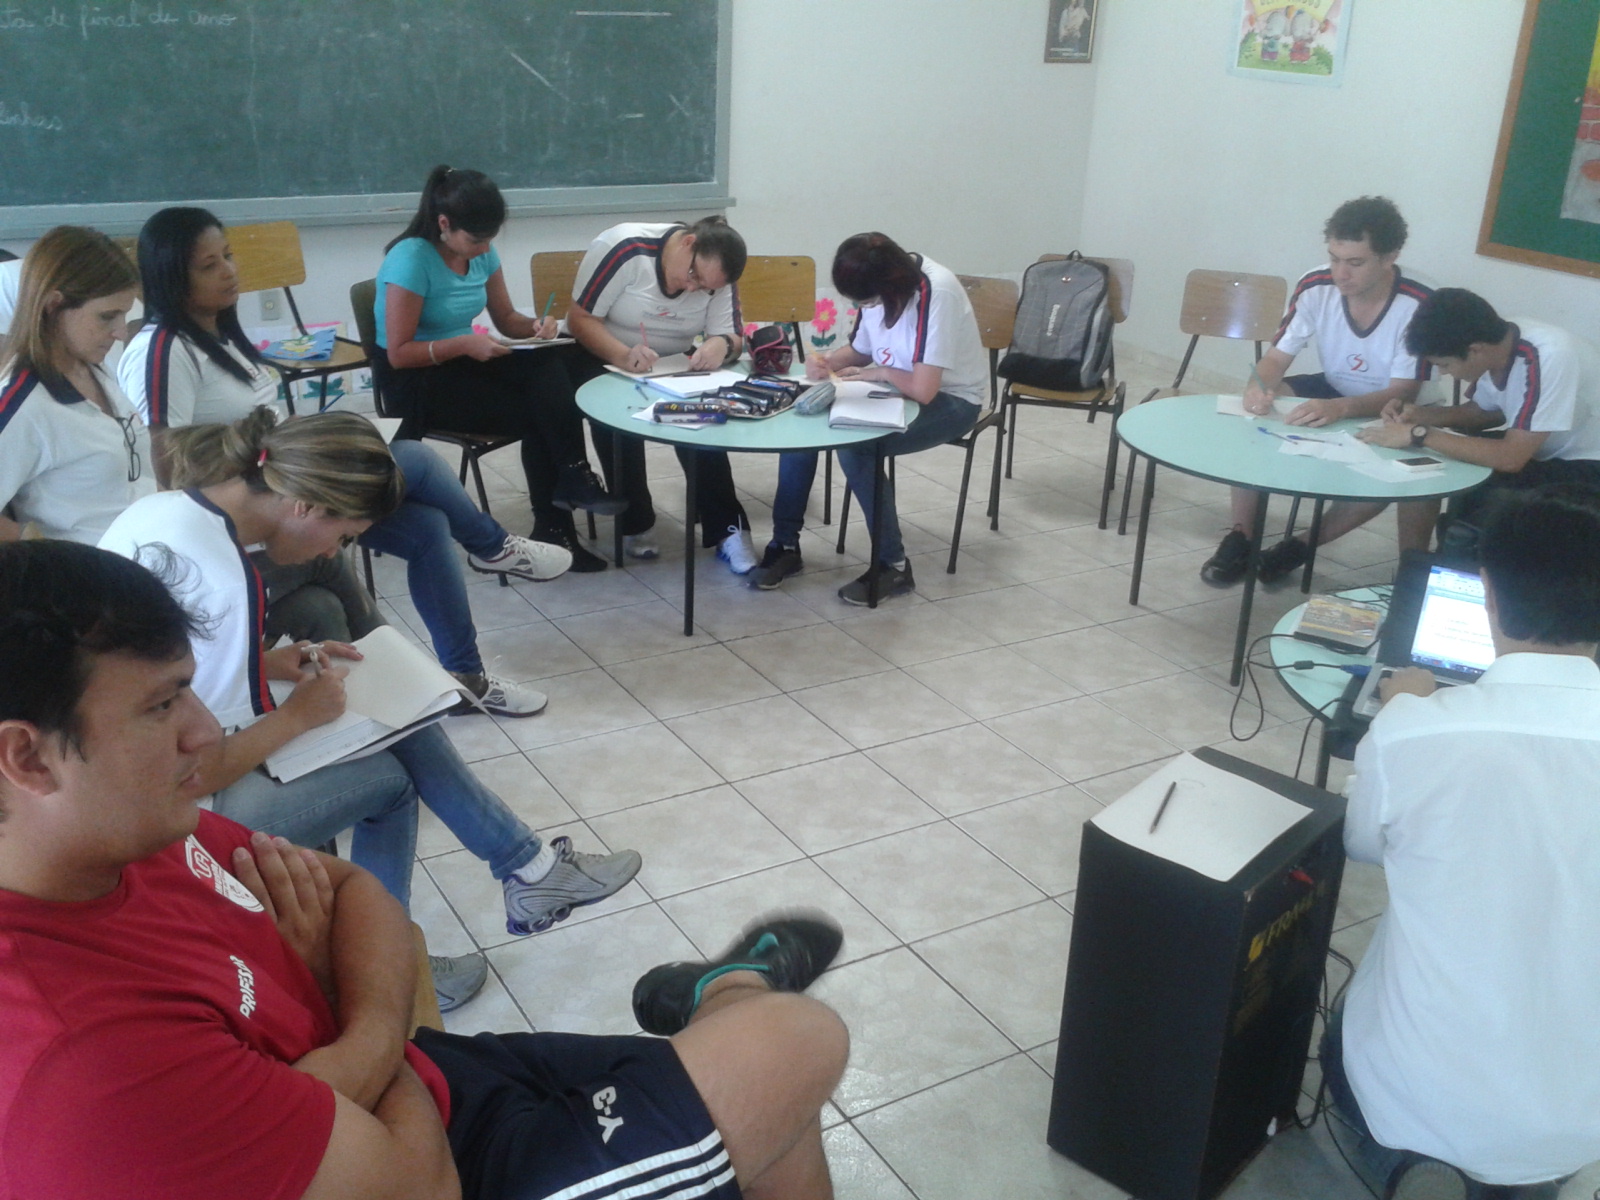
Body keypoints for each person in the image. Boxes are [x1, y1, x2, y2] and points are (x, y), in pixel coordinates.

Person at [0, 536, 851, 1200]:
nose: (203, 732)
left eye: (188, 690)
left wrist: (347, 1050)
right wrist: (370, 1018)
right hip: (444, 1158)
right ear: (28, 760)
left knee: (763, 1102)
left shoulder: (124, 832)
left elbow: (362, 897)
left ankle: (720, 1002)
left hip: (432, 1088)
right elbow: (421, 1187)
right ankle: (725, 991)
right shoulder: (81, 1067)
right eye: (160, 707)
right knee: (794, 1042)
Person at [98, 409, 641, 1012]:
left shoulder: (167, 509)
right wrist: (298, 716)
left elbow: (177, 671)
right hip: (159, 819)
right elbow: (197, 775)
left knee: (352, 663)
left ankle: (517, 876)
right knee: (389, 783)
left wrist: (274, 665)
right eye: (345, 535)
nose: (336, 550)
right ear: (304, 506)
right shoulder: (227, 581)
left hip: (115, 770)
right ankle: (387, 972)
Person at [119, 205, 564, 718]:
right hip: (254, 531)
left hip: (291, 497)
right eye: (208, 265)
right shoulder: (163, 350)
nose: (229, 271)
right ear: (171, 276)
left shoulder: (223, 338)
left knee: (429, 526)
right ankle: (490, 551)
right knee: (413, 460)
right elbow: (167, 472)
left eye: (229, 256)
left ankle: (464, 677)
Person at [1324, 485, 1600, 1197]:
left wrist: (1402, 709)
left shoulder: (1416, 733)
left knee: (1350, 1035)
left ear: (1486, 595)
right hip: (1582, 1119)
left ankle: (1411, 1169)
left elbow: (1362, 844)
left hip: (1414, 1098)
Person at [374, 165, 623, 573]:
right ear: (444, 224)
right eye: (475, 239)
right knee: (543, 410)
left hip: (463, 361)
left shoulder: (482, 251)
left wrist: (537, 327)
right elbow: (400, 354)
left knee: (553, 362)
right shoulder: (410, 260)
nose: (483, 247)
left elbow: (506, 318)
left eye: (490, 238)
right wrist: (464, 343)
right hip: (417, 381)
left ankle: (571, 485)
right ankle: (560, 514)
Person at [1201, 196, 1434, 587]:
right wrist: (1257, 388)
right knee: (1251, 420)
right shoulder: (1315, 284)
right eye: (1334, 258)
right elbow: (1276, 359)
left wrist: (1341, 408)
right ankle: (1242, 535)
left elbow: (1403, 391)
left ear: (1390, 256)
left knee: (1390, 477)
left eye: (1355, 263)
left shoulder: (1419, 303)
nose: (1340, 273)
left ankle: (1301, 547)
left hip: (1395, 403)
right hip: (1335, 386)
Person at [751, 232, 985, 604]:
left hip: (952, 400)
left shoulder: (935, 293)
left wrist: (882, 374)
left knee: (857, 446)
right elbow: (860, 351)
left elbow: (924, 389)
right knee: (802, 422)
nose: (869, 307)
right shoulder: (878, 284)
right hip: (898, 389)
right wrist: (827, 361)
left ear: (889, 286)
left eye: (870, 301)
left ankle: (893, 565)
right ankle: (785, 545)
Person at [564, 216, 758, 573]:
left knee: (702, 417)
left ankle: (728, 530)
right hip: (604, 355)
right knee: (617, 415)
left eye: (705, 287)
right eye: (694, 276)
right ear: (687, 243)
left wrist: (719, 345)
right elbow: (579, 319)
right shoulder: (624, 248)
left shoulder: (716, 279)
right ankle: (635, 520)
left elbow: (731, 337)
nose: (693, 289)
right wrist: (622, 356)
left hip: (673, 365)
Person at [1359, 288, 1600, 552]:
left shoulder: (1548, 356)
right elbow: (1481, 413)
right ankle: (1414, 566)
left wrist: (1419, 433)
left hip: (1585, 463)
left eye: (1445, 365)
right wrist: (1419, 414)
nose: (1443, 372)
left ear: (1475, 350)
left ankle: (1459, 567)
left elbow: (1511, 458)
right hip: (1540, 449)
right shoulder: (1499, 344)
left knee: (1487, 508)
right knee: (1425, 466)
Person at [0, 225, 154, 545]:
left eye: (123, 315)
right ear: (53, 306)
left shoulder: (92, 368)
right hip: (95, 585)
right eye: (106, 317)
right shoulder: (25, 403)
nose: (120, 332)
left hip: (148, 564)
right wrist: (48, 557)